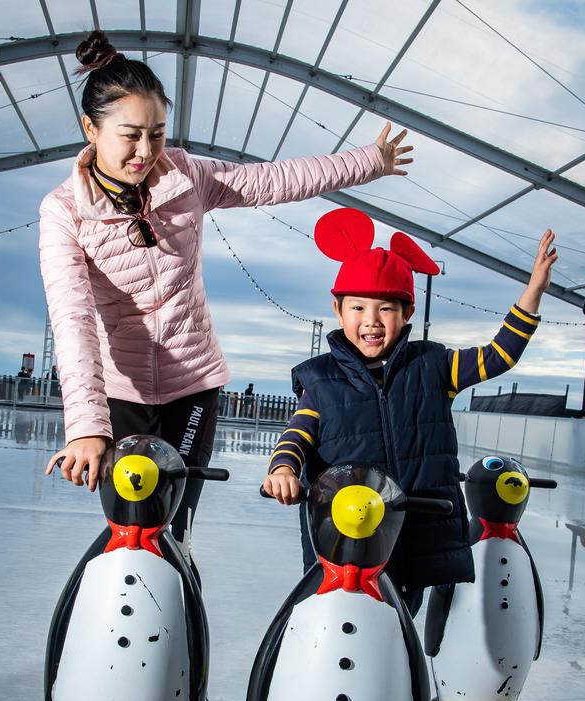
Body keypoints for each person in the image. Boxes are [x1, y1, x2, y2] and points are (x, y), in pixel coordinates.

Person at [40, 30, 412, 568]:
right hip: (121, 391)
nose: (146, 152)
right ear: (89, 129)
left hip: (193, 384)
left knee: (174, 524)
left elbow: (273, 180)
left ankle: (181, 618)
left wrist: (368, 161)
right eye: (129, 135)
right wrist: (87, 427)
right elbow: (71, 316)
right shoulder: (63, 212)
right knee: (128, 521)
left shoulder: (185, 177)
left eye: (157, 134)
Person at [262, 207, 557, 616]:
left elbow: (499, 356)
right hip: (345, 536)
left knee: (398, 625)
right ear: (338, 310)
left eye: (386, 309)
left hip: (415, 533)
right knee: (340, 623)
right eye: (359, 308)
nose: (372, 321)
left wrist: (533, 292)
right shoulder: (320, 379)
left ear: (407, 315)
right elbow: (296, 436)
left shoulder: (434, 366)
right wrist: (283, 471)